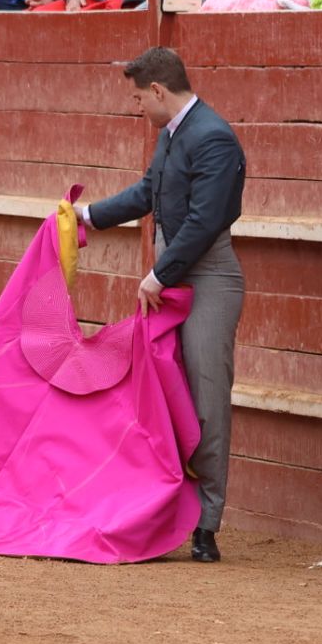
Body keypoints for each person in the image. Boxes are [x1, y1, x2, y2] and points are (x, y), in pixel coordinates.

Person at [80, 47, 245, 564]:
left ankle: (206, 524)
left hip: (207, 277)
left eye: (137, 98)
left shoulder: (213, 137)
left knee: (205, 397)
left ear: (157, 90)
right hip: (172, 273)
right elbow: (149, 192)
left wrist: (159, 272)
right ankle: (164, 508)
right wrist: (87, 216)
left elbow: (205, 221)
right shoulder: (172, 134)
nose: (136, 107)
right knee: (159, 392)